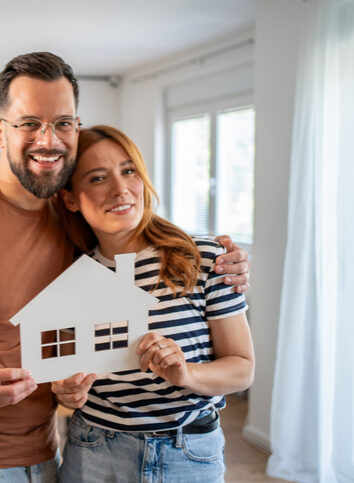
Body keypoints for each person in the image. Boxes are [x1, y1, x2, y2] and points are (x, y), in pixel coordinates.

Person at [0, 52, 250, 482]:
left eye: (63, 123)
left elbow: (133, 232)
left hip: (51, 453)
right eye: (29, 123)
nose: (48, 139)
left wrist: (219, 257)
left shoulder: (76, 224)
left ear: (76, 127)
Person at [52, 125, 255, 482]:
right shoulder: (70, 277)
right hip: (95, 453)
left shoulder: (205, 257)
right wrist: (66, 391)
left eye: (128, 171)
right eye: (98, 178)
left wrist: (186, 373)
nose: (121, 189)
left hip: (188, 455)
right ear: (71, 198)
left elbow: (242, 369)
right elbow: (66, 384)